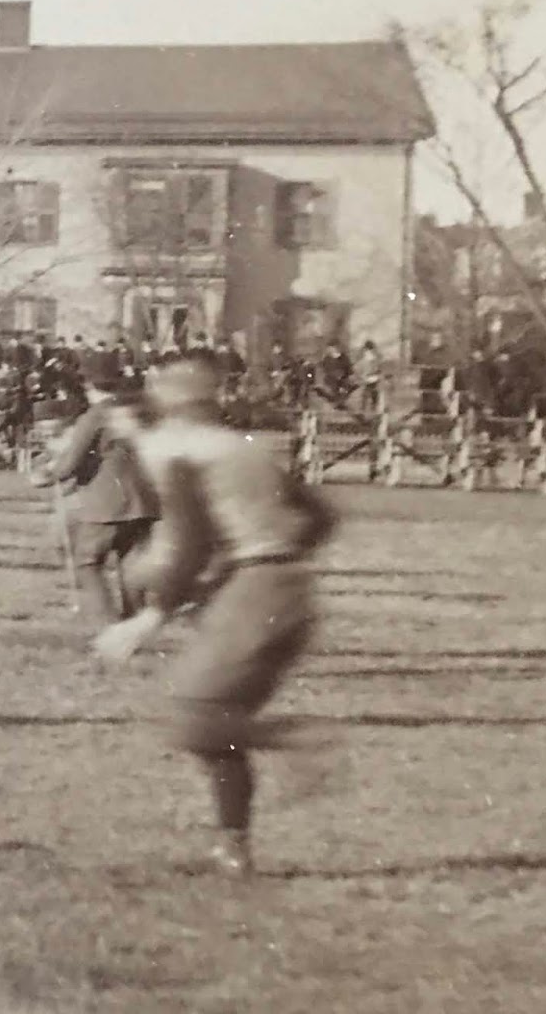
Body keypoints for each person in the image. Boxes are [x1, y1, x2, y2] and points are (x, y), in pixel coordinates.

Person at [94, 353, 338, 878]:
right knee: (214, 719)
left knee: (197, 719)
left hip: (255, 592)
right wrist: (261, 558)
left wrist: (150, 617)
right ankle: (234, 850)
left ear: (169, 402)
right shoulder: (246, 447)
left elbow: (190, 543)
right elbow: (321, 517)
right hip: (288, 587)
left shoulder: (179, 452)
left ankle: (301, 740)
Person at [45, 356, 159, 624]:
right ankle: (133, 622)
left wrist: (49, 473)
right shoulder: (140, 412)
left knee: (87, 561)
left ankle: (109, 624)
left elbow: (69, 463)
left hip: (107, 501)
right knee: (130, 563)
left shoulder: (95, 415)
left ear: (87, 384)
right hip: (145, 499)